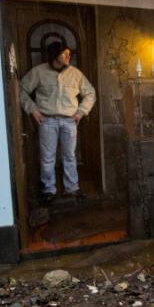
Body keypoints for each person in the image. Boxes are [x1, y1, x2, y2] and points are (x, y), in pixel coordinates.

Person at [20, 41, 97, 203]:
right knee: (48, 158)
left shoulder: (75, 74)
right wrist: (32, 109)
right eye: (65, 53)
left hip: (69, 121)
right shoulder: (39, 72)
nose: (69, 56)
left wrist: (81, 112)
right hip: (47, 121)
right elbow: (21, 90)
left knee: (69, 156)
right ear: (56, 54)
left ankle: (72, 188)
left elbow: (90, 93)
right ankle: (49, 190)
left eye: (69, 53)